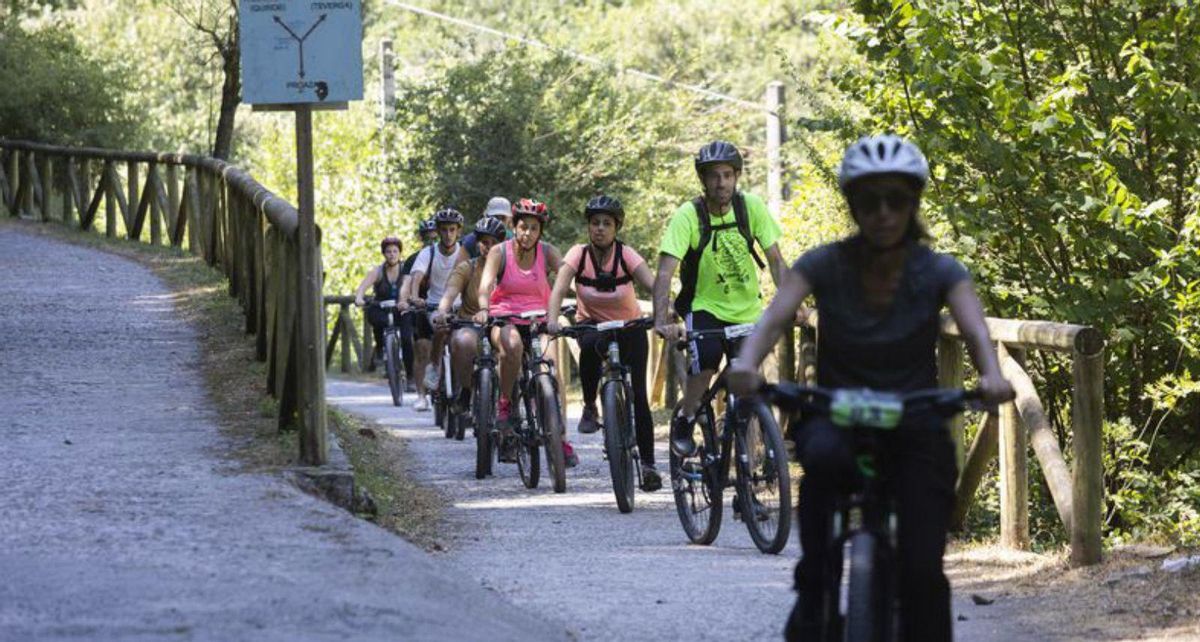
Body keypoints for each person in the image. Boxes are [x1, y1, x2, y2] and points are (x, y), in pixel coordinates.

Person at [725, 135, 1016, 642]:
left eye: (896, 200)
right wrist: (748, 363)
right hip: (836, 413)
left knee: (925, 570)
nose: (883, 213)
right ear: (853, 206)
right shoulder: (823, 264)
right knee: (822, 475)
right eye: (869, 201)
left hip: (917, 419)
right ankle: (815, 595)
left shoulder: (940, 271)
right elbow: (775, 316)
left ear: (913, 204)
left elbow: (974, 329)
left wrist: (991, 376)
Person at [651, 140, 789, 458]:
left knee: (750, 384)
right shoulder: (688, 216)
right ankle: (686, 419)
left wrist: (791, 304)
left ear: (737, 176)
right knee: (705, 365)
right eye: (714, 176)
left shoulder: (750, 207)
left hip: (747, 312)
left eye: (727, 175)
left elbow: (777, 262)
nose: (721, 182)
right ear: (703, 179)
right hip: (704, 308)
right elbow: (663, 274)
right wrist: (662, 320)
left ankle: (748, 475)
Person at [546, 195, 661, 490]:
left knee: (639, 397)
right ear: (588, 227)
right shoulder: (578, 255)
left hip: (630, 326)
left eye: (606, 224)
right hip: (593, 326)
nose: (599, 229)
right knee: (589, 345)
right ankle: (589, 405)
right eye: (594, 223)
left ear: (616, 227)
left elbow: (654, 286)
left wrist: (665, 313)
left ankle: (648, 466)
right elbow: (559, 289)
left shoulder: (627, 255)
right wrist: (552, 319)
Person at [477, 198, 577, 466]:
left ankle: (561, 438)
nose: (527, 233)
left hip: (539, 318)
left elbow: (572, 280)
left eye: (533, 228)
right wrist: (484, 308)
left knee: (552, 366)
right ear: (514, 226)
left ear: (540, 230)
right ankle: (506, 403)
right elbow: (485, 286)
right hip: (504, 317)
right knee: (512, 346)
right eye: (523, 227)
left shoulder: (548, 252)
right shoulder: (500, 252)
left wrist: (588, 299)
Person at [431, 216, 507, 416]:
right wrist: (442, 311)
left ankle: (512, 402)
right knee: (463, 342)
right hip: (470, 322)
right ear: (478, 243)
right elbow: (449, 293)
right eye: (484, 242)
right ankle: (466, 390)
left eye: (493, 243)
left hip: (503, 322)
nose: (488, 247)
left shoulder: (509, 267)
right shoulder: (467, 267)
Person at [402, 208, 466, 412]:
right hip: (432, 307)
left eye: (452, 230)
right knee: (424, 345)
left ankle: (468, 390)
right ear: (438, 231)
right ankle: (424, 390)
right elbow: (417, 277)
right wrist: (414, 297)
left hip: (459, 307)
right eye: (444, 230)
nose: (448, 234)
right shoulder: (428, 253)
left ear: (458, 232)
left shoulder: (464, 253)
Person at [353, 235, 404, 363]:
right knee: (377, 319)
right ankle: (380, 348)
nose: (392, 255)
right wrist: (359, 298)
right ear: (384, 254)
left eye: (395, 251)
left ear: (399, 253)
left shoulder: (406, 269)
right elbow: (362, 288)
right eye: (388, 251)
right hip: (381, 307)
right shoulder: (378, 271)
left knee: (410, 325)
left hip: (400, 306)